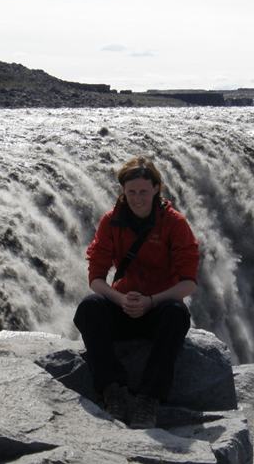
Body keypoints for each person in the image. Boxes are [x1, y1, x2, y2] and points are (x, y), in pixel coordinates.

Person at [74, 156, 200, 429]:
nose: (137, 198)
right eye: (131, 192)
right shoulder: (111, 221)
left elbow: (189, 282)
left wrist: (151, 301)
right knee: (89, 308)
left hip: (158, 308)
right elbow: (95, 278)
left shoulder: (174, 223)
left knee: (177, 315)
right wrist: (120, 299)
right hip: (123, 305)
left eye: (143, 191)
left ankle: (148, 399)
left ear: (156, 188)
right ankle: (112, 391)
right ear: (123, 191)